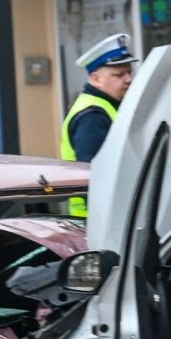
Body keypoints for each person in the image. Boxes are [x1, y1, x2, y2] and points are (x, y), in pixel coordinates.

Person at [60, 33, 136, 216]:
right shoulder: (92, 116)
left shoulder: (105, 106)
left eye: (129, 72)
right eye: (119, 75)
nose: (128, 79)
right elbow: (95, 176)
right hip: (96, 220)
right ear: (96, 79)